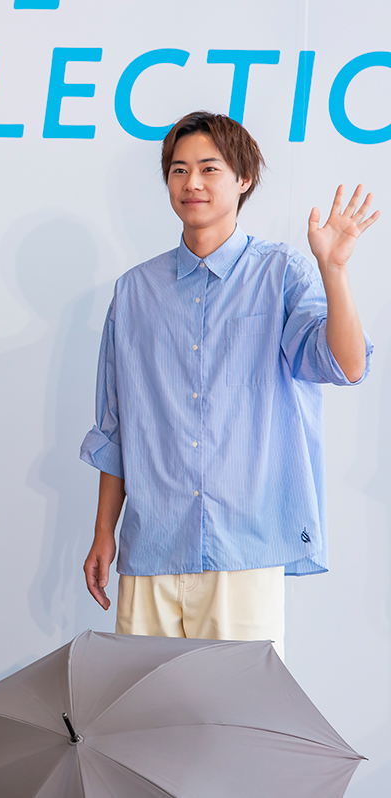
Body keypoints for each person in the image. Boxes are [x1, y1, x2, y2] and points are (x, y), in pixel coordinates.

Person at [80, 111, 379, 657]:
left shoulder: (282, 272)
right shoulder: (134, 292)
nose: (191, 182)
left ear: (244, 179)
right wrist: (105, 531)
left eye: (209, 168)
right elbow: (116, 427)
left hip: (245, 549)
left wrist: (334, 271)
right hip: (151, 545)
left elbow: (346, 365)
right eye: (178, 170)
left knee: (239, 708)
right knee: (144, 708)